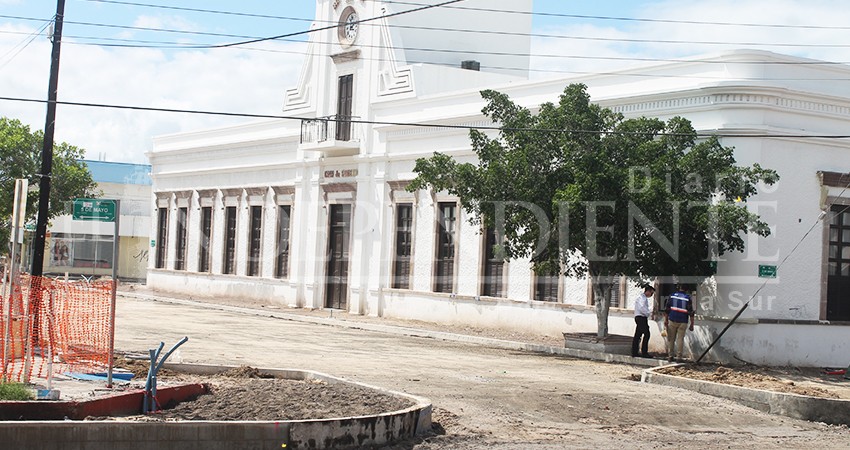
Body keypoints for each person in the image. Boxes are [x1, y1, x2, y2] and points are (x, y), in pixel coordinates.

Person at [664, 284, 695, 362]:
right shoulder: (688, 298)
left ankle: (670, 356)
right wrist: (692, 324)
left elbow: (667, 309)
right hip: (683, 321)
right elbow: (691, 312)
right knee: (680, 339)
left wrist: (666, 320)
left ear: (679, 288)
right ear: (686, 290)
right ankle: (679, 357)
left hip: (672, 319)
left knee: (671, 339)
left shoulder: (672, 296)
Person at [632, 285, 655, 358]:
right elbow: (642, 308)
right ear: (648, 291)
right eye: (651, 293)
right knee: (647, 334)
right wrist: (648, 313)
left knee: (638, 335)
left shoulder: (642, 298)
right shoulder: (642, 298)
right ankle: (644, 352)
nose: (651, 295)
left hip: (639, 317)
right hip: (641, 317)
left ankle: (634, 352)